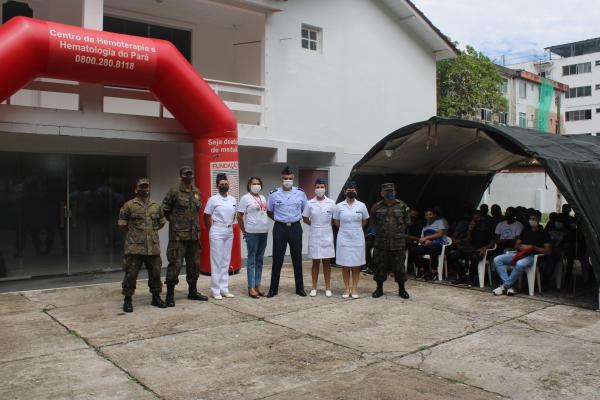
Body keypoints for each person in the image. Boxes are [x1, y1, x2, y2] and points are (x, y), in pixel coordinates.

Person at [118, 178, 166, 312]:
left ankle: (156, 297)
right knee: (131, 274)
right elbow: (122, 225)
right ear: (136, 189)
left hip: (152, 247)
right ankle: (128, 299)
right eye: (141, 187)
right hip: (135, 247)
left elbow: (161, 223)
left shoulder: (156, 205)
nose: (144, 189)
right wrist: (135, 235)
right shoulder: (129, 205)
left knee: (156, 273)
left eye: (146, 186)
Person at [162, 166, 208, 307]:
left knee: (194, 265)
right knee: (175, 265)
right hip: (178, 237)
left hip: (194, 236)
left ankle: (192, 291)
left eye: (191, 173)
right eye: (186, 174)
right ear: (180, 176)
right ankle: (170, 295)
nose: (189, 175)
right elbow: (165, 210)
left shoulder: (196, 192)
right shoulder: (174, 191)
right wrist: (176, 224)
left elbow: (197, 210)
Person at [266, 166, 308, 297]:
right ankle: (273, 289)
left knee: (297, 258)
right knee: (277, 258)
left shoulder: (300, 193)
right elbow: (269, 211)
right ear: (281, 179)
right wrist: (280, 220)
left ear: (293, 179)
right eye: (285, 178)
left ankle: (300, 288)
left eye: (290, 178)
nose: (288, 180)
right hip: (280, 228)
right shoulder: (274, 194)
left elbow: (304, 209)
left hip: (295, 227)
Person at [493, 210, 551, 296]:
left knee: (519, 264)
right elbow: (516, 245)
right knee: (497, 259)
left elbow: (548, 251)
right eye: (530, 219)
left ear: (539, 219)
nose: (532, 220)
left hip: (532, 256)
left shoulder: (544, 233)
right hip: (519, 253)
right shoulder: (525, 231)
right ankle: (509, 287)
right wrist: (523, 247)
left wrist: (533, 247)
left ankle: (504, 287)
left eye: (534, 218)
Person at [370, 183, 410, 299]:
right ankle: (379, 289)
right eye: (387, 191)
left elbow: (407, 222)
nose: (389, 193)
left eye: (391, 191)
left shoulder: (402, 205)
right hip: (381, 243)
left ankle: (402, 290)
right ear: (382, 193)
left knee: (399, 267)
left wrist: (397, 232)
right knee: (380, 267)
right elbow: (373, 223)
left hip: (398, 243)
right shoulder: (376, 207)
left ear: (395, 191)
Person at [333, 181, 369, 298]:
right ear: (345, 192)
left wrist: (355, 229)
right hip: (343, 237)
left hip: (357, 238)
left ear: (356, 192)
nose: (351, 191)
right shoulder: (339, 206)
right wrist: (346, 230)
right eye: (349, 190)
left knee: (356, 265)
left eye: (353, 190)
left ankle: (354, 288)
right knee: (345, 264)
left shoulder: (361, 205)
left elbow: (364, 221)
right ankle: (346, 288)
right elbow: (336, 221)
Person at [204, 173, 237, 300]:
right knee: (217, 260)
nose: (224, 186)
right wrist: (211, 230)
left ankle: (224, 288)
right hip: (217, 230)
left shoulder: (233, 199)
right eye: (221, 184)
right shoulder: (213, 200)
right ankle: (215, 289)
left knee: (226, 260)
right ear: (217, 185)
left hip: (229, 231)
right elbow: (206, 216)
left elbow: (233, 215)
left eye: (226, 184)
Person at [302, 178, 335, 297]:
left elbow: (335, 218)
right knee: (315, 262)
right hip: (315, 233)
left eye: (322, 187)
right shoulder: (310, 203)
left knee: (327, 262)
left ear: (325, 188)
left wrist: (325, 226)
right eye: (317, 187)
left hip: (327, 233)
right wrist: (314, 225)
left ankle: (327, 288)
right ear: (314, 188)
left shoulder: (331, 203)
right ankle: (314, 287)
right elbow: (305, 218)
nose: (320, 189)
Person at [237, 177, 269, 298]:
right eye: (254, 183)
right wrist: (244, 231)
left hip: (263, 232)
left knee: (260, 260)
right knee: (251, 260)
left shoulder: (263, 198)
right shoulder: (245, 198)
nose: (256, 185)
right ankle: (251, 287)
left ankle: (258, 285)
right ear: (249, 185)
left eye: (258, 183)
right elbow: (239, 216)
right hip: (252, 233)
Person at [447, 210, 494, 286]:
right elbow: (468, 241)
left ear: (481, 217)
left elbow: (492, 242)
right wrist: (470, 230)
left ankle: (470, 279)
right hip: (470, 249)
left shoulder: (487, 226)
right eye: (474, 218)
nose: (475, 219)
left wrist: (484, 248)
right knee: (452, 256)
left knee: (474, 258)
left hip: (481, 250)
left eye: (477, 217)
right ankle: (462, 276)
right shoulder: (471, 226)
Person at [407, 208, 448, 281]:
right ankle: (423, 270)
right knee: (413, 250)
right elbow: (421, 239)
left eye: (430, 214)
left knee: (431, 246)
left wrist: (427, 238)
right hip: (427, 246)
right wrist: (424, 241)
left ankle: (434, 272)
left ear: (434, 215)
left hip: (438, 245)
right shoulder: (425, 227)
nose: (429, 216)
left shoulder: (440, 222)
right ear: (425, 217)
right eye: (426, 215)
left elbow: (440, 233)